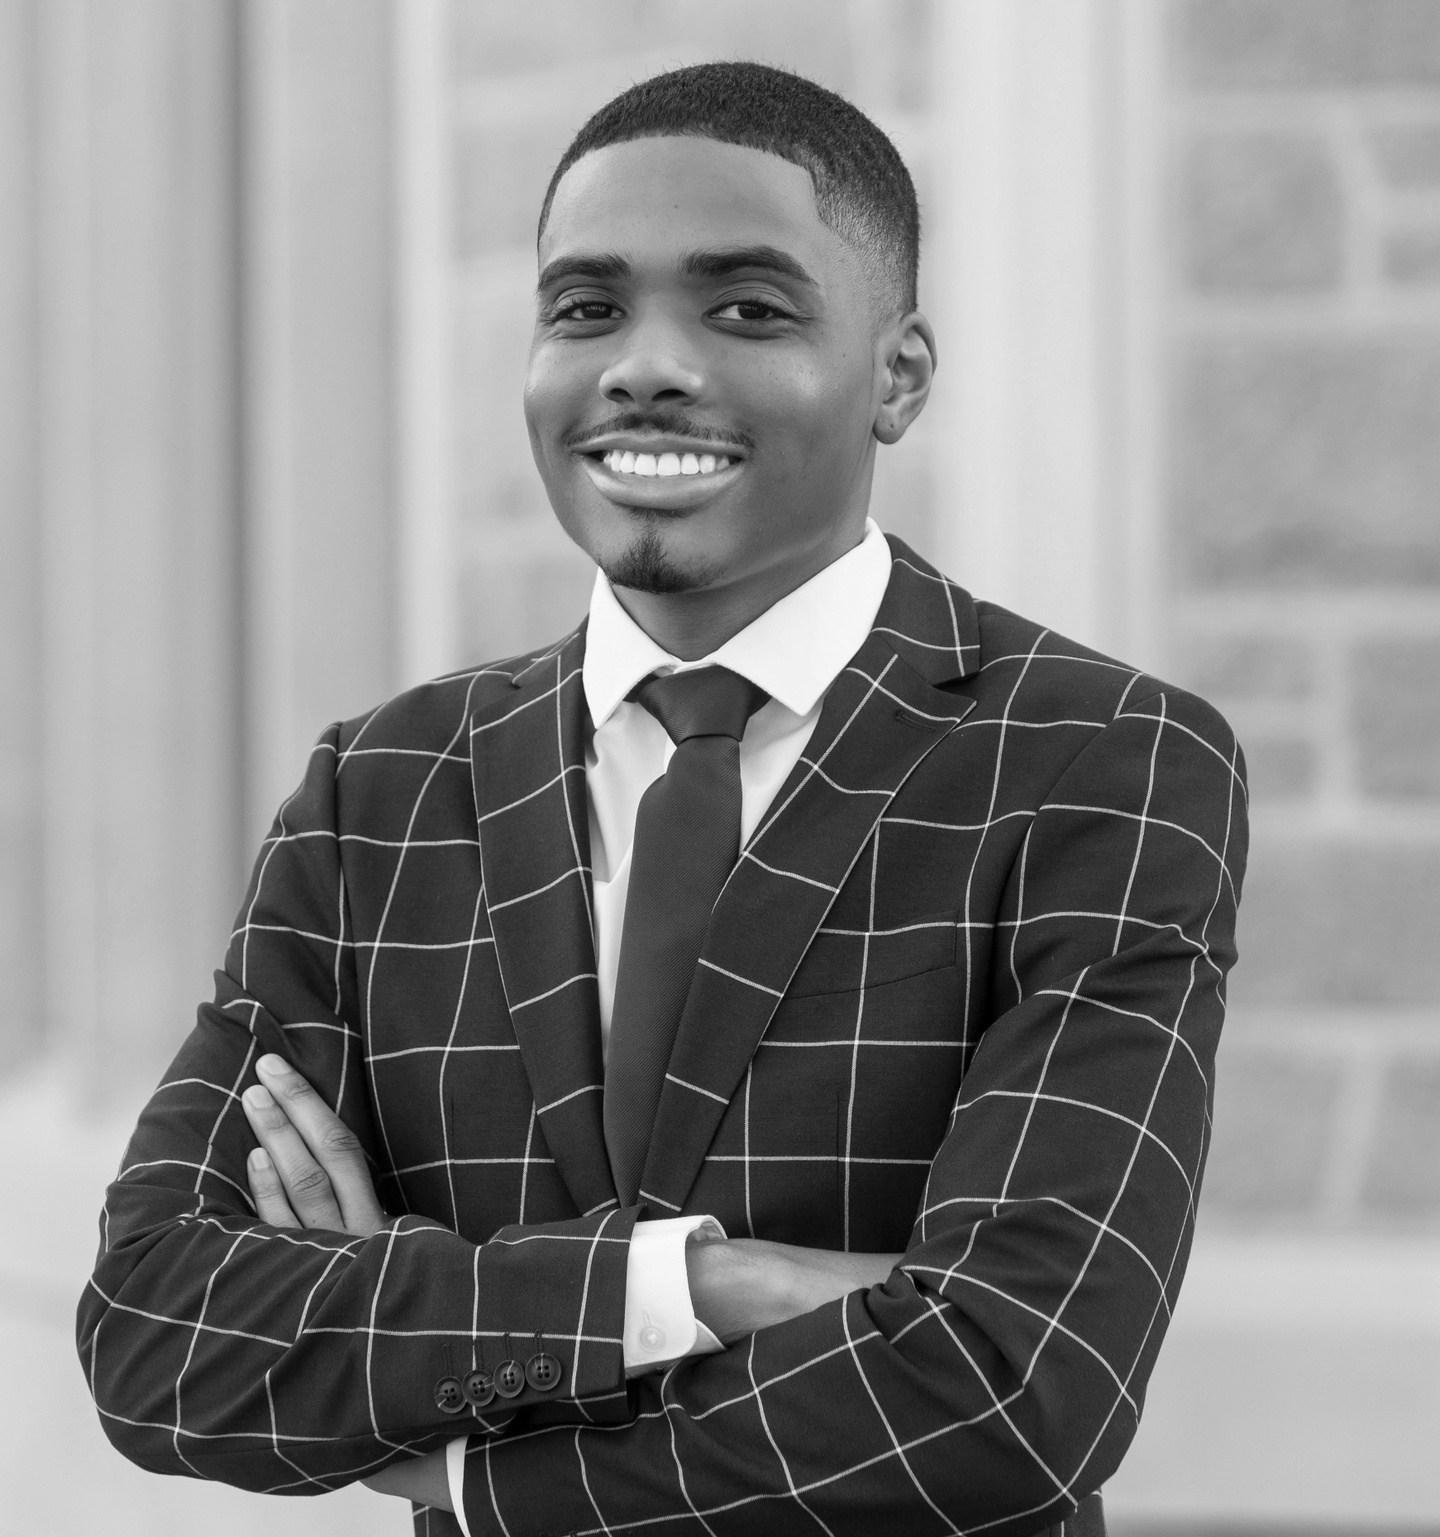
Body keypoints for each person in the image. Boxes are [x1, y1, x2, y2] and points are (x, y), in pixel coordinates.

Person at [78, 61, 1246, 1537]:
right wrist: (690, 1283)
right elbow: (155, 1338)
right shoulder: (376, 790)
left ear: (899, 374)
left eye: (746, 308)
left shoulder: (1103, 760)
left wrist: (439, 1426)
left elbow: (1018, 1380)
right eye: (585, 308)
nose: (645, 365)